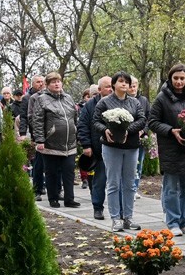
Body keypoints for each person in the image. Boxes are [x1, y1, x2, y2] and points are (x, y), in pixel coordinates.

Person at [149, 63, 185, 234]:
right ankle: (172, 221)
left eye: (182, 78)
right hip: (171, 148)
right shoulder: (162, 98)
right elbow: (152, 121)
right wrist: (171, 131)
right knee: (171, 187)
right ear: (170, 79)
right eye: (175, 78)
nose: (179, 82)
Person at [94, 72, 146, 231]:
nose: (124, 84)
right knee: (113, 183)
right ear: (114, 84)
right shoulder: (104, 102)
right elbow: (96, 121)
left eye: (127, 82)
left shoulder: (135, 102)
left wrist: (127, 131)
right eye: (121, 81)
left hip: (131, 146)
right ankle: (115, 218)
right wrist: (105, 131)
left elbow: (142, 120)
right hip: (112, 147)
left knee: (130, 184)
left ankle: (128, 217)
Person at [30, 72, 81, 209]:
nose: (57, 84)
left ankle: (69, 199)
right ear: (47, 85)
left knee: (69, 172)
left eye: (58, 81)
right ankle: (53, 198)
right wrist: (40, 140)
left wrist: (76, 132)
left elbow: (75, 117)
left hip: (69, 143)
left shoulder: (68, 98)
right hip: (51, 143)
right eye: (53, 82)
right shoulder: (42, 99)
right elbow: (37, 121)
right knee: (51, 172)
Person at [78, 76, 113, 220]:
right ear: (99, 90)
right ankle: (97, 208)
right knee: (100, 181)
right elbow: (83, 126)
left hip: (117, 149)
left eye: (112, 86)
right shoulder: (90, 106)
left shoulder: (119, 102)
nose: (110, 89)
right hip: (99, 150)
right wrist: (86, 145)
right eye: (107, 87)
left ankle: (120, 211)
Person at [129, 78, 150, 199]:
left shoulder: (143, 100)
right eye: (130, 86)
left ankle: (135, 188)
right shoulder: (124, 100)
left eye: (134, 86)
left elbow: (149, 117)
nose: (132, 88)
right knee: (130, 165)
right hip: (129, 136)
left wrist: (143, 131)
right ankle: (128, 188)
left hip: (141, 136)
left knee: (139, 164)